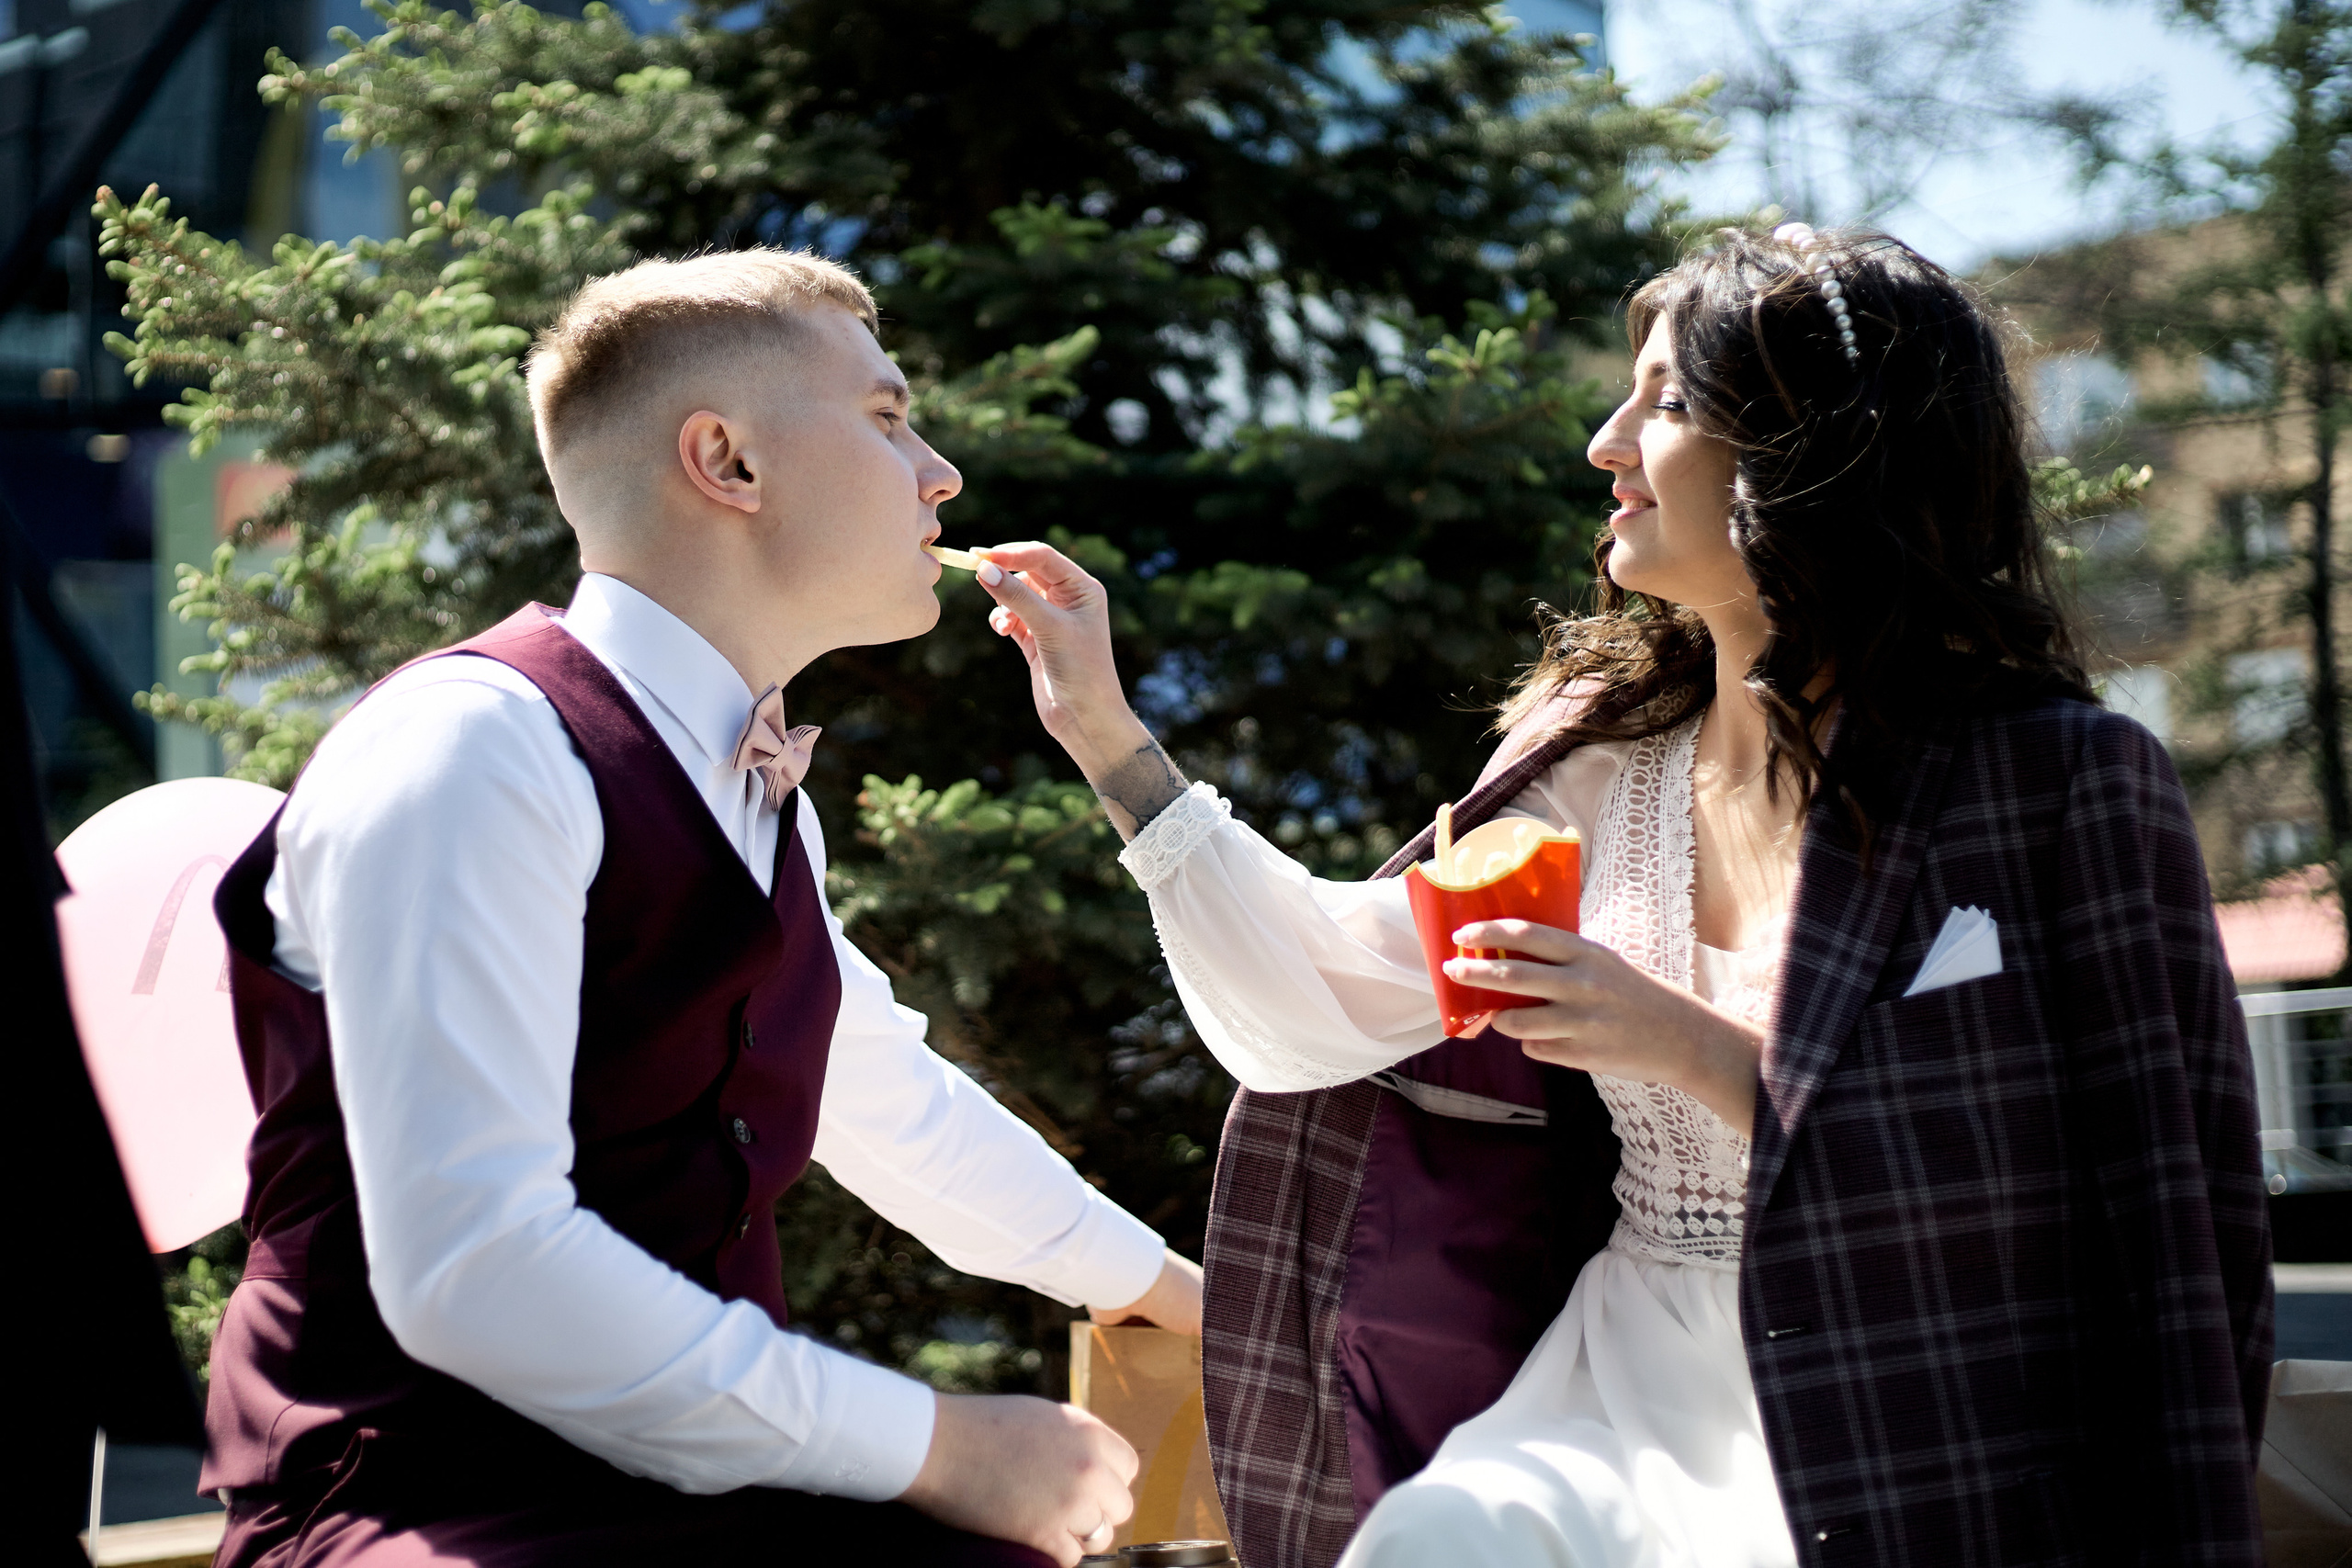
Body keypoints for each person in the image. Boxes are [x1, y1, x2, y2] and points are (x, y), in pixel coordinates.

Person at [967, 226, 2274, 1567]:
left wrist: (1690, 1050)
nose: (1605, 443)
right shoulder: (1595, 761)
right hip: (1619, 1383)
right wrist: (1110, 740)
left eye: (1663, 402)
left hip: (1937, 1418)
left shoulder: (2066, 780)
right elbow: (1316, 1003)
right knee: (1435, 1545)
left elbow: (2148, 1204)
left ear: (1813, 450)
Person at [200, 248, 1202, 1568]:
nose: (942, 475)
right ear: (727, 463)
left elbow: (885, 1104)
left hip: (687, 1498)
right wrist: (941, 1445)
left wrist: (1186, 1299)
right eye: (892, 420)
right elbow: (474, 1268)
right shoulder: (468, 751)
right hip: (427, 1506)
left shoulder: (754, 781)